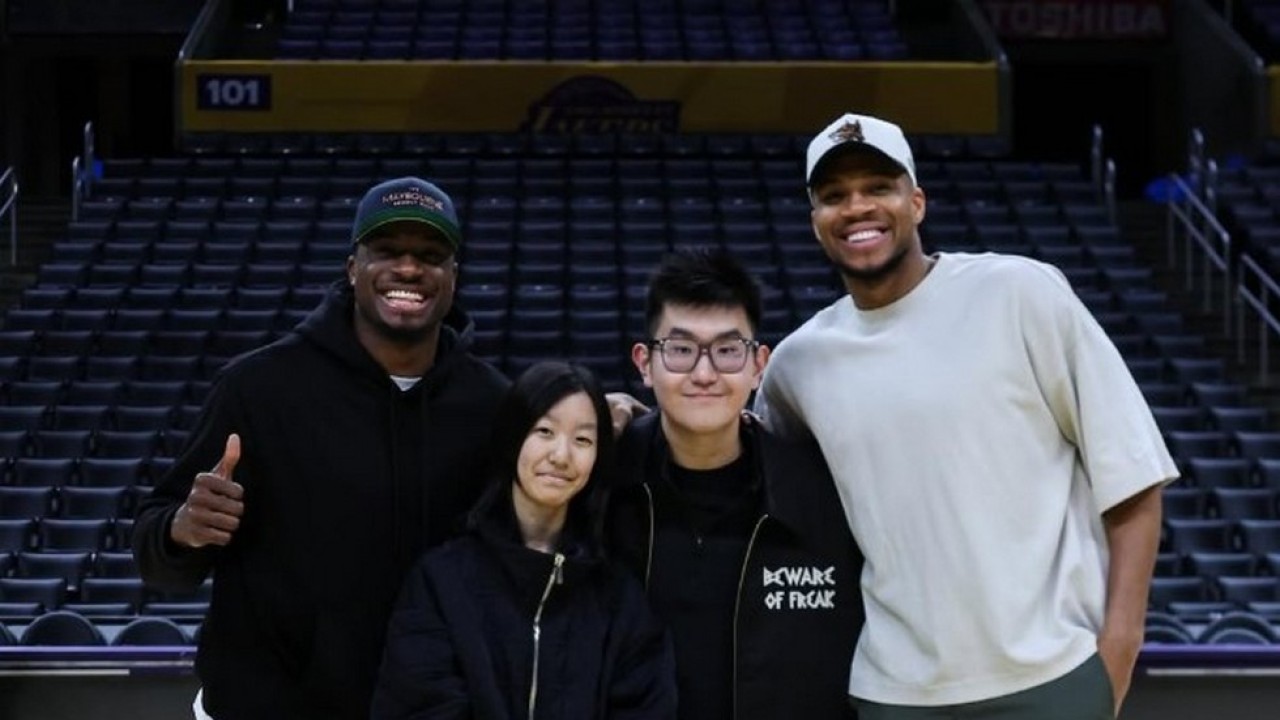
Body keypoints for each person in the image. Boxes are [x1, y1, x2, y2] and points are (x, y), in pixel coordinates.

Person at [754, 113, 1175, 719]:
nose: (857, 207)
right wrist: (629, 416)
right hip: (893, 692)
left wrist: (1118, 650)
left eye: (878, 187)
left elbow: (1132, 477)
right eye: (834, 196)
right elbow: (733, 461)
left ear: (916, 202)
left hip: (1051, 678)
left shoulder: (1021, 292)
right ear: (815, 220)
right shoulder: (798, 364)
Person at [133, 176, 511, 720]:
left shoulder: (492, 405)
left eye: (431, 256)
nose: (409, 268)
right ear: (353, 267)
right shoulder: (257, 388)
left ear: (453, 276)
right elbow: (158, 557)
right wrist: (183, 530)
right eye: (387, 251)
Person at [609, 247, 863, 720]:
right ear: (644, 363)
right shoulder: (600, 487)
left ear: (758, 364)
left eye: (727, 351)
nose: (704, 374)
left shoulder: (825, 493)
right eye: (681, 350)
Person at [372, 360, 677, 720]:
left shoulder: (620, 598)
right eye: (544, 431)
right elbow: (419, 705)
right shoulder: (440, 582)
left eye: (582, 439)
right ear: (512, 436)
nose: (561, 456)